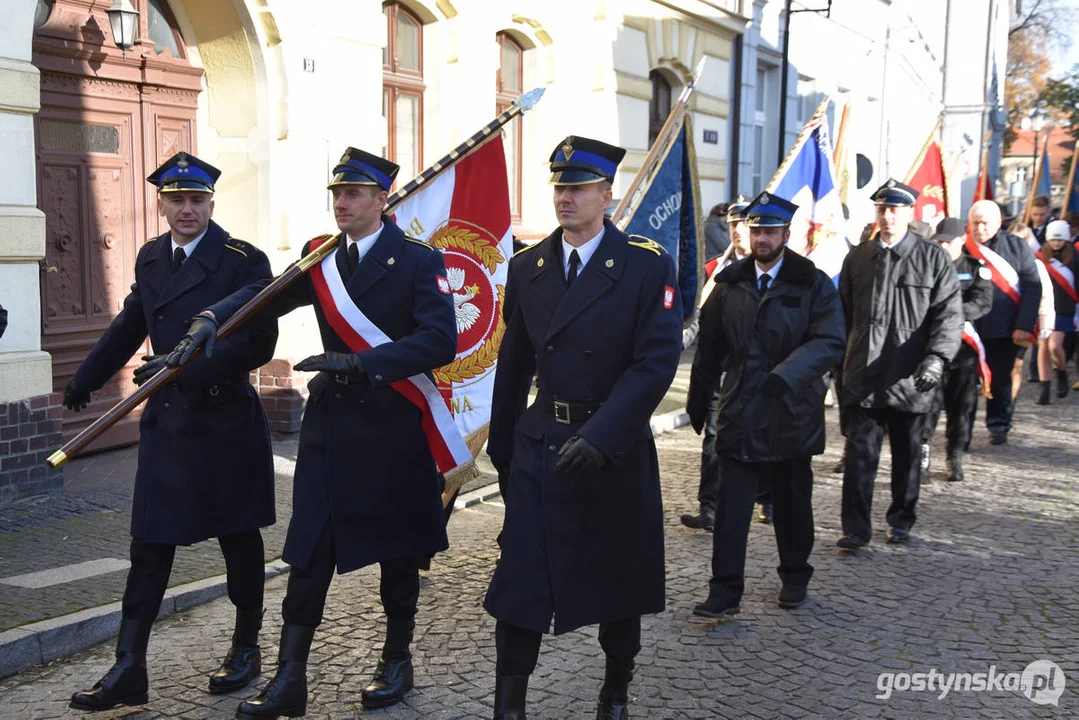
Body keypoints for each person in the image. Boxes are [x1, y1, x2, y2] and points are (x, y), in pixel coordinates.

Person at [166, 148, 457, 718]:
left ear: (382, 199)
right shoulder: (320, 256)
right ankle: (289, 679)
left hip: (393, 427)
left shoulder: (420, 261)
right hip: (330, 432)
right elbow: (266, 296)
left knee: (398, 549)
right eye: (336, 194)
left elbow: (440, 341)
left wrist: (363, 363)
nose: (341, 203)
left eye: (352, 194)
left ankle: (397, 658)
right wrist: (211, 318)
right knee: (309, 552)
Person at [65, 153, 278, 711]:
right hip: (170, 425)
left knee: (239, 541)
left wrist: (184, 366)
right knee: (149, 547)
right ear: (160, 204)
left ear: (212, 202)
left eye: (197, 200)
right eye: (176, 200)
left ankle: (246, 647)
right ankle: (128, 666)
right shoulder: (151, 257)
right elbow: (131, 320)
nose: (187, 209)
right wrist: (86, 379)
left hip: (224, 421)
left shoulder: (244, 261)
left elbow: (258, 344)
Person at [483, 135, 682, 719]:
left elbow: (655, 363)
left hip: (611, 449)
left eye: (577, 188)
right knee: (520, 580)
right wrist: (504, 445)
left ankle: (616, 688)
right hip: (542, 446)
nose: (564, 198)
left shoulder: (645, 265)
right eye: (558, 187)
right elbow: (514, 362)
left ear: (606, 194)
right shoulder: (528, 266)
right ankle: (509, 707)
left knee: (618, 585)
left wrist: (602, 438)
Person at [686, 191, 845, 616]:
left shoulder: (811, 281)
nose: (762, 238)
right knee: (732, 507)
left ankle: (794, 577)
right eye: (756, 230)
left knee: (793, 504)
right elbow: (710, 348)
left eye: (770, 231)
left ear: (786, 235)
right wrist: (698, 400)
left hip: (792, 410)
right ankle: (724, 590)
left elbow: (830, 340)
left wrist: (788, 375)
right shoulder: (730, 282)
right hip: (741, 406)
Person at [835, 179, 962, 550]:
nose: (887, 216)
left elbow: (949, 317)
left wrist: (937, 359)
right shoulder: (858, 257)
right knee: (860, 456)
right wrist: (837, 360)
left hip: (911, 377)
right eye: (881, 209)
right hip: (864, 374)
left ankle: (901, 519)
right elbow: (841, 314)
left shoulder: (933, 258)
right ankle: (856, 529)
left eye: (894, 210)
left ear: (909, 213)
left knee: (907, 457)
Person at [680, 195, 756, 533]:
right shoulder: (714, 270)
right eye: (732, 224)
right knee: (714, 438)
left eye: (743, 223)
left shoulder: (767, 270)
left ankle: (765, 498)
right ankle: (709, 506)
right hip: (719, 371)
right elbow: (699, 318)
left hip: (756, 372)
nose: (737, 230)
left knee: (759, 436)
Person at [920, 218, 993, 483]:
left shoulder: (975, 269)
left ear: (961, 241)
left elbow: (983, 302)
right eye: (938, 241)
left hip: (963, 351)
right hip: (931, 349)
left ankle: (955, 454)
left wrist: (952, 315)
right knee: (927, 406)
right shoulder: (925, 267)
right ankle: (923, 456)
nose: (942, 246)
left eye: (947, 242)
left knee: (961, 407)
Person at [966, 201, 1042, 445]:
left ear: (999, 223)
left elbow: (1032, 287)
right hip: (969, 326)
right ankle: (961, 432)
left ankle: (999, 424)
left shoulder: (1017, 247)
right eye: (975, 223)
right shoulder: (962, 246)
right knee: (965, 382)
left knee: (1001, 379)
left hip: (1005, 326)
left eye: (985, 223)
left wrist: (1025, 325)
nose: (980, 228)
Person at [1035, 220, 1078, 402]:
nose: (1056, 243)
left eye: (1060, 240)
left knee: (1055, 347)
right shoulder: (1040, 257)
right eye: (1053, 240)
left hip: (1064, 307)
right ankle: (1045, 388)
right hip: (1044, 307)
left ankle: (1061, 371)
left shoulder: (1075, 257)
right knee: (1043, 346)